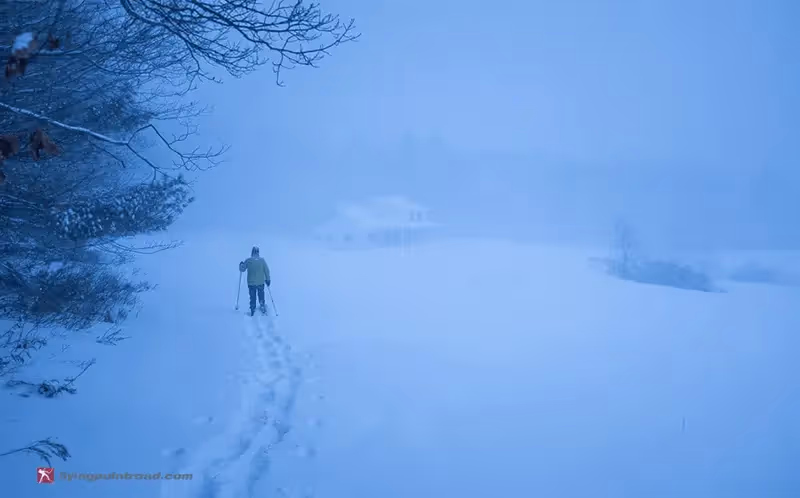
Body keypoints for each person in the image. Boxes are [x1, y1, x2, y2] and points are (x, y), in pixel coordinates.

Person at [239, 246, 271, 316]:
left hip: (251, 283)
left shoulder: (248, 260)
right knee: (261, 295)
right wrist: (268, 279)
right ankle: (262, 306)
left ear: (252, 252)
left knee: (252, 297)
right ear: (258, 252)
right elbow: (266, 270)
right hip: (260, 282)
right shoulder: (262, 260)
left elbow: (242, 269)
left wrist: (241, 265)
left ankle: (253, 309)